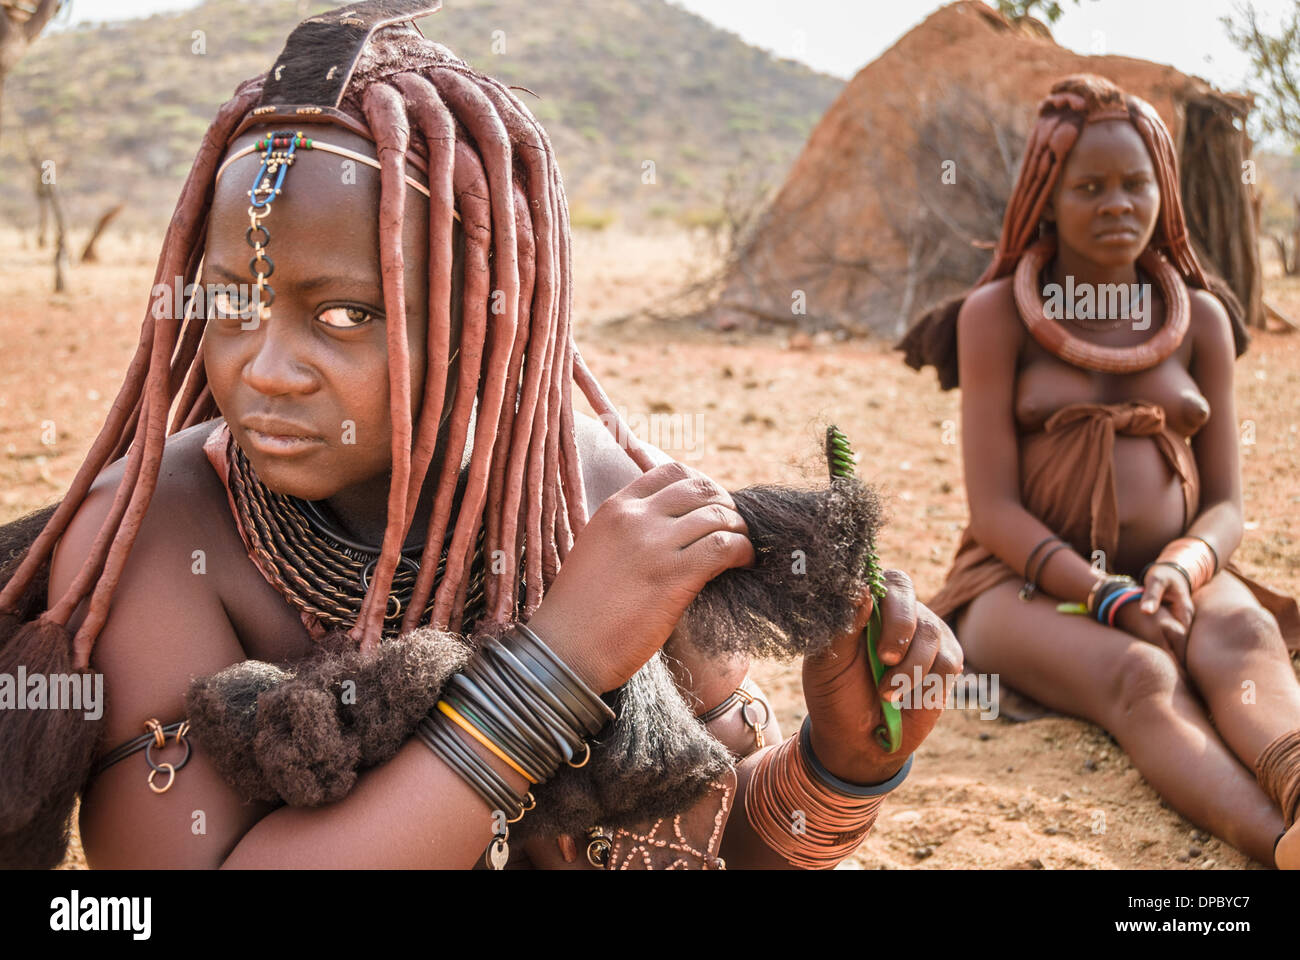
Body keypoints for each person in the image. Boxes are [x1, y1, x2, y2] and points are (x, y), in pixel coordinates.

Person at [0, 1, 960, 870]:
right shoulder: (161, 537)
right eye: (230, 303)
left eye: (344, 317)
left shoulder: (607, 511)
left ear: (481, 322)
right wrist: (558, 665)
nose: (264, 367)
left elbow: (710, 856)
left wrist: (841, 769)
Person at [897, 73, 1300, 869]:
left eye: (1136, 183)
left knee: (1245, 632)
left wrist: (1185, 565)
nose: (1118, 203)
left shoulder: (1202, 319)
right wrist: (1107, 597)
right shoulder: (997, 319)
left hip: (1175, 568)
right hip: (1020, 584)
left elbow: (1225, 506)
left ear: (1165, 193)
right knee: (1141, 675)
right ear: (1047, 197)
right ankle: (1281, 847)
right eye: (1090, 186)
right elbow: (995, 509)